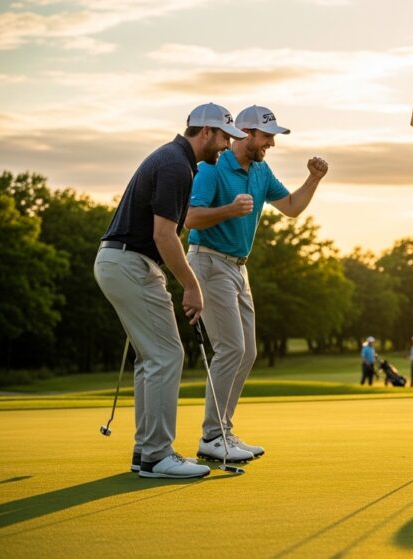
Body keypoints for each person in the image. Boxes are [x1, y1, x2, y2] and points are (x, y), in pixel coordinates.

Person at [94, 102, 245, 479]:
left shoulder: (175, 160)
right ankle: (158, 456)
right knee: (167, 355)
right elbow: (165, 235)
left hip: (120, 261)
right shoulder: (177, 166)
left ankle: (146, 451)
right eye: (225, 136)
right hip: (130, 261)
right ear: (206, 132)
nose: (227, 145)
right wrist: (192, 286)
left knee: (153, 358)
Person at [185, 105, 329, 462]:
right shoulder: (212, 169)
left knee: (247, 352)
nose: (271, 144)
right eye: (267, 137)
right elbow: (189, 217)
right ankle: (212, 436)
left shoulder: (262, 171)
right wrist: (229, 210)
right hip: (208, 261)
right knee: (231, 348)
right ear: (246, 134)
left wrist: (313, 179)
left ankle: (224, 431)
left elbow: (292, 208)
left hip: (238, 269)